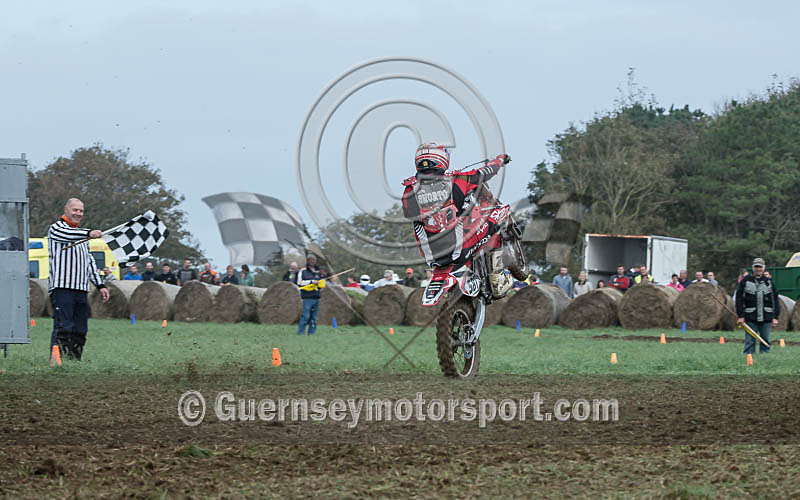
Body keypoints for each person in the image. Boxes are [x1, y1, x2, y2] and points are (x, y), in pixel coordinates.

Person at [401, 142, 512, 297]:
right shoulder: (456, 179)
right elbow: (485, 173)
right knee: (498, 215)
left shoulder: (409, 189)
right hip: (459, 249)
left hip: (433, 256)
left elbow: (410, 214)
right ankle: (497, 275)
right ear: (442, 158)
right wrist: (499, 161)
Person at [47, 198, 109, 360]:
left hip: (81, 289)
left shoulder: (82, 236)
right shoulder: (57, 228)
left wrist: (100, 285)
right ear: (66, 210)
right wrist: (89, 233)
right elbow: (67, 234)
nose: (78, 213)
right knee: (63, 326)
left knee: (80, 328)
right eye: (75, 210)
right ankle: (57, 360)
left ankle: (74, 360)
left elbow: (89, 262)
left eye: (81, 211)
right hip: (62, 288)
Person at [735, 257, 780, 355]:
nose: (758, 269)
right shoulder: (745, 281)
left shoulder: (769, 282)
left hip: (766, 317)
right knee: (750, 341)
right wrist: (740, 316)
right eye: (756, 267)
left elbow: (775, 300)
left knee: (765, 339)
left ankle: (765, 359)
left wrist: (775, 317)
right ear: (753, 268)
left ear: (764, 268)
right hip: (750, 317)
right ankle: (749, 359)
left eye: (760, 267)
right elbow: (739, 299)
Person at [296, 255, 321, 335]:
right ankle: (300, 333)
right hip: (307, 298)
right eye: (311, 260)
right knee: (306, 316)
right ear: (307, 261)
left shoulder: (317, 272)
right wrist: (311, 281)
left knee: (314, 318)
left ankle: (311, 333)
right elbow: (299, 282)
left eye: (314, 260)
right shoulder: (303, 271)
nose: (313, 261)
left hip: (316, 297)